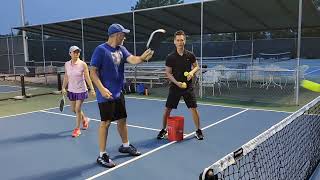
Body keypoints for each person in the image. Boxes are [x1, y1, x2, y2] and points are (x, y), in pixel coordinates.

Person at [90, 23, 154, 168]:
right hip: (105, 94)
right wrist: (101, 88)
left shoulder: (122, 49)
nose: (125, 37)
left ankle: (125, 145)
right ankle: (102, 155)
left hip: (119, 92)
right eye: (123, 34)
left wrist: (143, 57)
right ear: (116, 35)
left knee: (122, 119)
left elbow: (134, 60)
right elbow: (92, 71)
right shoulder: (100, 50)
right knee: (105, 123)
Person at [157, 30, 204, 140]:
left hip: (188, 87)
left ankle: (198, 130)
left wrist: (192, 73)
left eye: (182, 40)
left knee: (194, 108)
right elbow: (168, 72)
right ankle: (164, 130)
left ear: (184, 41)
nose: (180, 42)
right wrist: (176, 83)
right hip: (175, 86)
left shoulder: (190, 55)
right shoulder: (170, 57)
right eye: (178, 40)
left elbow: (197, 66)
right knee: (167, 109)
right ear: (174, 42)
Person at [62, 45, 95, 138]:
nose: (76, 54)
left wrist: (91, 89)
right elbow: (66, 76)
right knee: (73, 109)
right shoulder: (67, 64)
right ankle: (85, 119)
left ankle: (77, 129)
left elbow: (87, 77)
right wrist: (63, 87)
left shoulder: (83, 64)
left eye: (78, 52)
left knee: (77, 109)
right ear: (70, 54)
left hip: (81, 90)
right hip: (71, 90)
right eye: (74, 52)